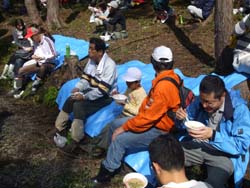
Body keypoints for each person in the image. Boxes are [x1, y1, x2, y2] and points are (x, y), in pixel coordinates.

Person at [91, 45, 181, 184]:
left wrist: (125, 128)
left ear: (153, 63)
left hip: (160, 129)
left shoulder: (164, 87)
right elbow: (148, 112)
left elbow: (148, 119)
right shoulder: (167, 78)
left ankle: (107, 172)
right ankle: (110, 154)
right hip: (151, 119)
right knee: (115, 124)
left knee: (120, 138)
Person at [176, 75, 250, 188]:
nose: (204, 105)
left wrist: (213, 135)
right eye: (202, 100)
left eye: (209, 102)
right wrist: (181, 119)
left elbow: (241, 145)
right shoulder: (200, 102)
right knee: (168, 153)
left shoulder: (239, 110)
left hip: (225, 156)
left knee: (212, 184)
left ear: (223, 96)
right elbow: (186, 123)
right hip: (199, 146)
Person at [52, 37, 118, 153]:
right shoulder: (91, 61)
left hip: (104, 96)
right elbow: (85, 79)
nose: (89, 51)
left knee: (79, 106)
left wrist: (84, 96)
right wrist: (78, 87)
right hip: (92, 90)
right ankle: (59, 128)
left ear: (100, 52)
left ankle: (76, 139)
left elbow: (102, 90)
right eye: (89, 48)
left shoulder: (109, 66)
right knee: (70, 99)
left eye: (92, 49)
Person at [90, 67, 147, 156]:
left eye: (130, 83)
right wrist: (117, 95)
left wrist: (125, 105)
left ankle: (101, 148)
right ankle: (96, 140)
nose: (127, 84)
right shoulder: (130, 88)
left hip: (131, 118)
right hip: (123, 114)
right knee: (108, 126)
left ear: (137, 82)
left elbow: (139, 111)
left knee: (113, 128)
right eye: (127, 82)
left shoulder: (141, 94)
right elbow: (124, 96)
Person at [11, 26, 56, 98]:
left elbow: (54, 54)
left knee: (43, 67)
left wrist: (43, 57)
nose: (31, 39)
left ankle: (34, 87)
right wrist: (34, 56)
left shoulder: (47, 41)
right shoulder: (35, 42)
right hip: (38, 62)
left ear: (36, 34)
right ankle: (17, 87)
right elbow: (36, 52)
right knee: (20, 70)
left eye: (32, 37)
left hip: (49, 63)